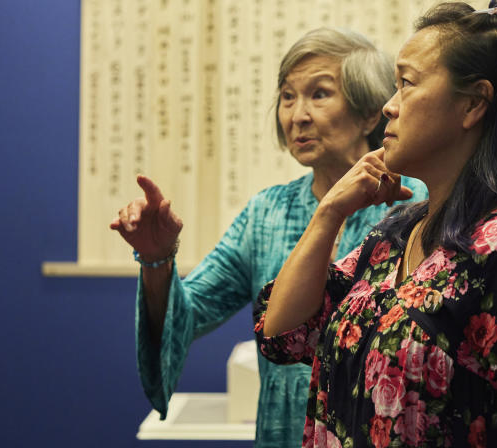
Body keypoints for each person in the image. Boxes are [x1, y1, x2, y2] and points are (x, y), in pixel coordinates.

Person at [255, 0, 497, 447]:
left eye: (406, 84)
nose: (389, 105)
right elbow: (283, 333)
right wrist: (330, 213)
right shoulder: (396, 233)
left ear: (473, 105)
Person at [110, 27, 427, 448]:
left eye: (319, 94)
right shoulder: (266, 213)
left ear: (370, 113)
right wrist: (157, 259)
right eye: (287, 96)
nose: (297, 115)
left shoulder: (416, 203)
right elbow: (189, 313)